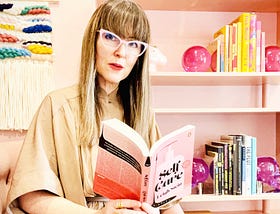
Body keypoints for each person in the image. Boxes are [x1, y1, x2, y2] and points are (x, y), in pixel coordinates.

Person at [7, 0, 184, 213]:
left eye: (133, 43)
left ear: (140, 55)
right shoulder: (58, 106)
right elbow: (31, 197)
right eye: (111, 37)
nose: (121, 52)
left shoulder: (143, 114)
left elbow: (167, 201)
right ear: (93, 41)